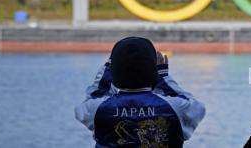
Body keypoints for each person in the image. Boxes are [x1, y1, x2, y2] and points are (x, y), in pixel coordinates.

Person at [75, 37, 206, 147]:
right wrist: (163, 77)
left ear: (115, 72)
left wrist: (108, 68)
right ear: (153, 71)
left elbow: (93, 96)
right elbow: (196, 107)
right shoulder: (175, 108)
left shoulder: (97, 109)